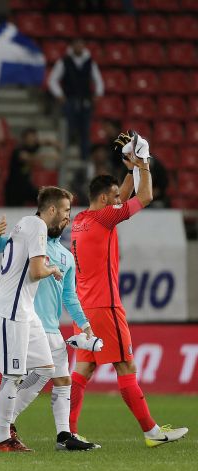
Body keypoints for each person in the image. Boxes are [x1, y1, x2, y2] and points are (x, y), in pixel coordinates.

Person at [69, 137, 188, 447]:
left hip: (84, 308)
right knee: (126, 365)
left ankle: (66, 431)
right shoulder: (106, 218)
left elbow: (122, 193)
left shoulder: (82, 219)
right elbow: (144, 196)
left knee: (83, 368)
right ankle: (151, 432)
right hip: (106, 306)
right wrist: (144, 164)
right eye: (115, 197)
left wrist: (130, 167)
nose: (119, 199)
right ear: (106, 199)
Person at [0, 213, 97, 451]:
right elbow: (3, 249)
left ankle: (63, 435)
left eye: (69, 216)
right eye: (64, 214)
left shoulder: (67, 257)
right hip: (28, 321)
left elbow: (69, 295)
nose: (66, 220)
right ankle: (5, 425)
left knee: (60, 379)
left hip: (50, 327)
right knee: (20, 376)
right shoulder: (33, 242)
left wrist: (84, 323)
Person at [0, 187, 72, 452]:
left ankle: (4, 421)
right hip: (11, 311)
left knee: (46, 368)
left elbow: (2, 250)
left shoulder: (24, 223)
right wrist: (54, 269)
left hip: (25, 310)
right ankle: (3, 437)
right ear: (52, 210)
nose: (68, 216)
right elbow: (36, 272)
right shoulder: (38, 227)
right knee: (13, 374)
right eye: (66, 210)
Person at [47, 39, 105, 161]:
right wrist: (59, 94)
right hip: (70, 101)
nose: (79, 46)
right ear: (72, 46)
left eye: (81, 44)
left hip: (85, 102)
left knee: (85, 132)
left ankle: (84, 160)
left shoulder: (90, 62)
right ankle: (63, 157)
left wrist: (98, 94)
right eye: (76, 44)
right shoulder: (64, 61)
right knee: (67, 130)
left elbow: (99, 81)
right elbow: (52, 80)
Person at [4, 128, 42, 207]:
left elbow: (42, 143)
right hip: (14, 188)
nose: (32, 140)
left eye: (34, 138)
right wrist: (49, 157)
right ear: (24, 139)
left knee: (44, 198)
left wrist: (52, 143)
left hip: (26, 186)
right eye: (30, 138)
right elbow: (25, 157)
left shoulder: (32, 148)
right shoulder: (18, 149)